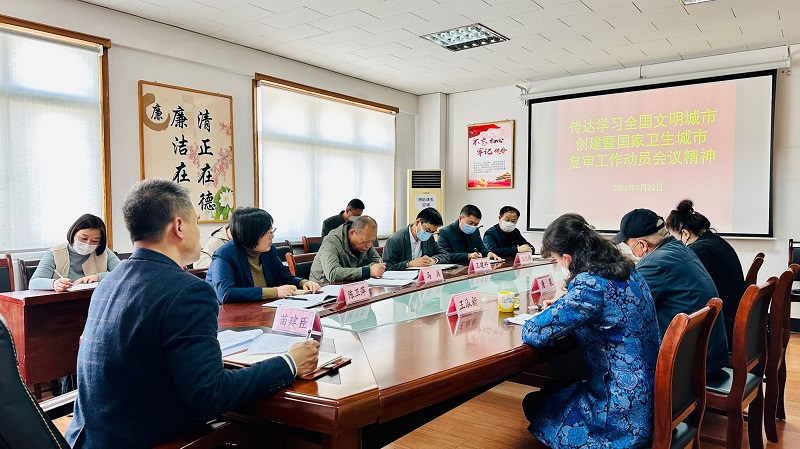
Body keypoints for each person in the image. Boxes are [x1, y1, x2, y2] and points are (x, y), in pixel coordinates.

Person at [65, 179, 319, 449]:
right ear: (178, 226)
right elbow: (211, 394)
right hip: (146, 439)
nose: (200, 232)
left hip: (89, 438)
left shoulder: (109, 281)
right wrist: (290, 363)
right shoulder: (188, 291)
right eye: (197, 222)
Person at [522, 213, 660, 449]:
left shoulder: (590, 284)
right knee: (550, 391)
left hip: (622, 409)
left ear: (567, 258)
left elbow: (535, 332)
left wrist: (554, 311)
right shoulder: (626, 270)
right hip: (652, 391)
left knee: (534, 403)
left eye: (555, 259)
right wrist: (563, 306)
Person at [616, 208, 728, 374]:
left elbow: (624, 307)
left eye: (630, 247)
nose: (633, 253)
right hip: (708, 355)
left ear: (643, 245)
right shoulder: (679, 249)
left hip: (691, 366)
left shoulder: (655, 263)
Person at [666, 199, 745, 349]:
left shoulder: (700, 251)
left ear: (685, 234)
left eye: (672, 237)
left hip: (724, 325)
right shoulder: (715, 241)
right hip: (733, 315)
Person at [206, 208, 320, 304]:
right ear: (252, 235)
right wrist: (274, 292)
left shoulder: (269, 251)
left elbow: (284, 276)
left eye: (272, 231)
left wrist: (304, 283)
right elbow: (225, 293)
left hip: (262, 308)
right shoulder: (225, 255)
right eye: (268, 233)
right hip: (232, 316)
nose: (272, 236)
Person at [29, 213, 121, 292]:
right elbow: (34, 283)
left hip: (94, 300)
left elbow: (123, 274)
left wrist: (98, 277)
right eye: (84, 238)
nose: (88, 244)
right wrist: (54, 284)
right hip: (62, 302)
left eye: (95, 241)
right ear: (73, 233)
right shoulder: (55, 253)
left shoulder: (104, 252)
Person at [310, 215, 385, 284]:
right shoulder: (331, 241)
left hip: (351, 284)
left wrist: (371, 270)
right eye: (365, 241)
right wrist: (367, 271)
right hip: (323, 286)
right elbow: (332, 273)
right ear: (352, 233)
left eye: (372, 241)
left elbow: (378, 262)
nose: (369, 246)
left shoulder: (366, 239)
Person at [382, 207, 449, 271]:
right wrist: (409, 264)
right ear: (417, 222)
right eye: (427, 230)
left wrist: (434, 260)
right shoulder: (395, 240)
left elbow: (445, 255)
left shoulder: (429, 238)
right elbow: (387, 267)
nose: (429, 234)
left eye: (433, 232)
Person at [437, 204, 502, 263]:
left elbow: (481, 248)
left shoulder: (475, 230)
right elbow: (443, 255)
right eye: (470, 223)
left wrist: (488, 253)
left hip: (473, 268)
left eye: (476, 224)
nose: (473, 226)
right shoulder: (445, 232)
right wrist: (467, 256)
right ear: (460, 218)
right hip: (454, 269)